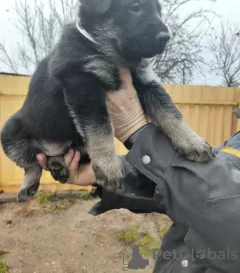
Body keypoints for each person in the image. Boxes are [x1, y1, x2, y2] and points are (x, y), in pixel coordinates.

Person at [37, 68, 240, 273]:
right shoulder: (235, 142)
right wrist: (102, 174)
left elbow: (227, 222)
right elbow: (178, 190)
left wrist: (136, 129)